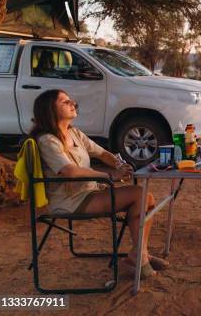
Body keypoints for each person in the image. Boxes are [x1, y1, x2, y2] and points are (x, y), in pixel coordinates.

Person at [31, 89, 167, 277]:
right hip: (70, 201)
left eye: (71, 100)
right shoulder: (47, 140)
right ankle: (140, 256)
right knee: (139, 194)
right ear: (49, 110)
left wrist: (120, 164)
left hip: (89, 192)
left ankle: (140, 254)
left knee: (147, 198)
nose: (72, 103)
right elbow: (69, 171)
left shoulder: (74, 133)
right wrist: (109, 176)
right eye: (65, 102)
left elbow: (102, 153)